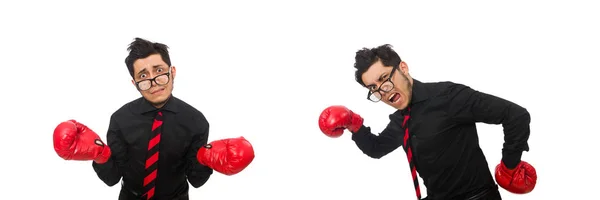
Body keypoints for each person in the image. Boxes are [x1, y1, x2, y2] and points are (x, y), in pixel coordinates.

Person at [318, 44, 537, 200]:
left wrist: (510, 166)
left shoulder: (448, 96)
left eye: (384, 78)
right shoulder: (399, 121)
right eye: (373, 88)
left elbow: (515, 115)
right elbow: (377, 149)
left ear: (403, 68)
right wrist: (354, 126)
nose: (383, 91)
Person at [53, 38, 255, 200]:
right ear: (134, 82)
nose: (154, 82)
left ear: (172, 72)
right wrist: (99, 154)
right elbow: (112, 179)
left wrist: (205, 159)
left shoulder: (196, 121)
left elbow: (196, 180)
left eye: (159, 71)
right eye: (143, 75)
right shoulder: (120, 119)